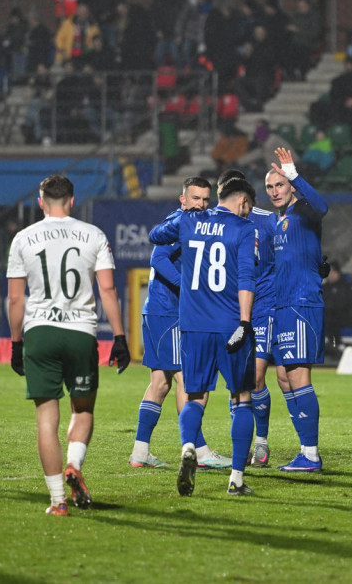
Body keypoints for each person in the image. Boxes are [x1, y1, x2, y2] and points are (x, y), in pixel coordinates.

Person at [6, 174, 131, 515]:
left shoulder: (23, 238)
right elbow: (108, 290)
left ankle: (58, 501)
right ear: (72, 201)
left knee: (47, 419)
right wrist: (120, 337)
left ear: (40, 201)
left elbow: (16, 299)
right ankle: (74, 464)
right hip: (81, 333)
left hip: (40, 333)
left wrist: (16, 342)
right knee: (83, 409)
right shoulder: (93, 235)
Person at [148, 177, 260, 496]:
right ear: (241, 202)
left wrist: (182, 216)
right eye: (248, 206)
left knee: (195, 396)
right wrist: (245, 321)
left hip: (193, 325)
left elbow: (156, 236)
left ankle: (188, 448)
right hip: (228, 325)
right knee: (241, 399)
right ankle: (236, 479)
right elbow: (246, 280)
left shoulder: (190, 221)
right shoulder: (243, 229)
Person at [131, 177, 230, 470]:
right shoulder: (180, 221)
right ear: (182, 199)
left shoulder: (194, 222)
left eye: (205, 199)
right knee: (187, 379)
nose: (201, 204)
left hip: (161, 312)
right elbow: (159, 258)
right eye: (196, 198)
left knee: (159, 383)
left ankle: (140, 452)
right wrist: (186, 288)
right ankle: (197, 450)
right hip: (169, 313)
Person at [265, 147, 328, 472]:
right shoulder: (280, 223)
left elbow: (323, 205)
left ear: (290, 186)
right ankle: (306, 449)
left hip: (302, 304)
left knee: (298, 375)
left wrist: (295, 175)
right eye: (270, 187)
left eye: (280, 184)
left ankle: (312, 454)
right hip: (283, 307)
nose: (275, 191)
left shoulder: (304, 210)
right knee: (283, 377)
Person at [216, 169, 279, 469]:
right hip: (230, 311)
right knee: (234, 382)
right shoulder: (215, 223)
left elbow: (287, 255)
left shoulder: (266, 221)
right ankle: (239, 447)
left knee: (254, 378)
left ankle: (262, 441)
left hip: (262, 308)